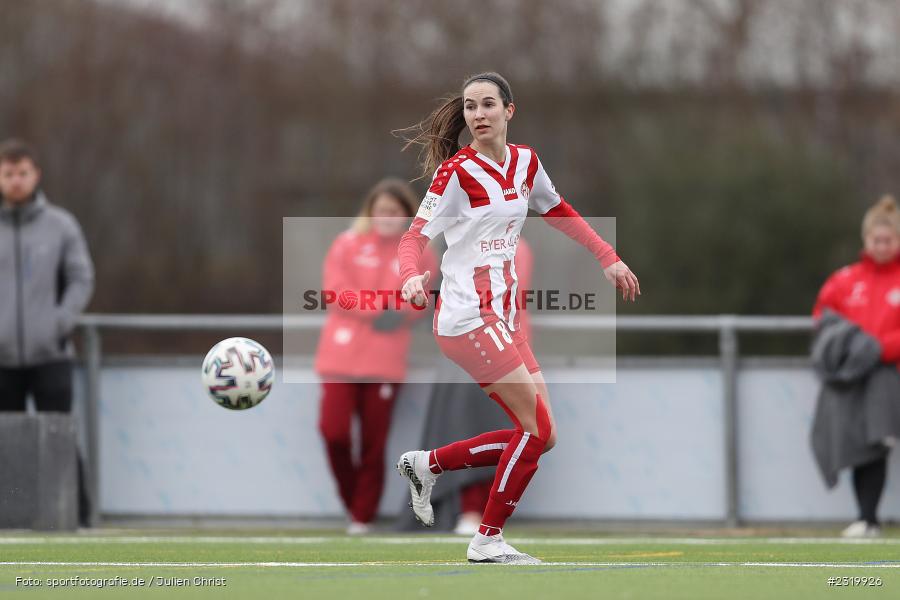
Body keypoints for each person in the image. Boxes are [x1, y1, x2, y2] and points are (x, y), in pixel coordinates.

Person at [393, 72, 640, 563]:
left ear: (510, 110)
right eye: (469, 106)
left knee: (543, 436)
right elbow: (413, 237)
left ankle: (430, 464)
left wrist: (606, 255)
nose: (478, 114)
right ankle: (486, 539)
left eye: (487, 104)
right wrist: (409, 276)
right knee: (534, 425)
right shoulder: (456, 174)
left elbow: (558, 209)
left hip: (503, 317)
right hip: (465, 316)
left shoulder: (526, 163)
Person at [314, 178, 437, 535]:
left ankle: (362, 516)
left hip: (385, 359)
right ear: (370, 213)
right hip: (339, 357)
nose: (386, 218)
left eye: (394, 212)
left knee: (374, 441)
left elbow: (420, 297)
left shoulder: (419, 251)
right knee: (333, 432)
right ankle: (353, 501)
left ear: (406, 216)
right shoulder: (347, 244)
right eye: (380, 211)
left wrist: (406, 309)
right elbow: (335, 291)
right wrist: (380, 306)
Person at [0, 138, 94, 524]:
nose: (16, 181)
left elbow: (81, 278)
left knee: (59, 435)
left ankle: (76, 516)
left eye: (22, 173)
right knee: (6, 443)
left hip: (51, 354)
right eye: (8, 174)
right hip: (2, 358)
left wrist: (59, 322)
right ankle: (12, 514)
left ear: (35, 174)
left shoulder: (60, 225)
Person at [811, 194, 900, 538]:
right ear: (866, 240)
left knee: (877, 440)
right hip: (851, 378)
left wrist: (880, 349)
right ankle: (868, 519)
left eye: (887, 239)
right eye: (875, 239)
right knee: (857, 444)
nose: (881, 245)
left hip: (888, 375)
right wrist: (848, 349)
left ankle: (869, 518)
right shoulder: (845, 280)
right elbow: (823, 319)